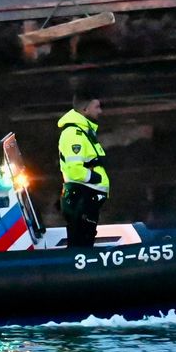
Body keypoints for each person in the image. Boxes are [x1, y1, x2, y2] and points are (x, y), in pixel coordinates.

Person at [57, 92, 110, 247]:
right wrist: (95, 178)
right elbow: (74, 169)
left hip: (86, 197)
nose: (100, 111)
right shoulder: (74, 134)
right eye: (97, 107)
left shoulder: (84, 131)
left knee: (85, 238)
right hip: (81, 196)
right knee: (80, 242)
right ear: (85, 110)